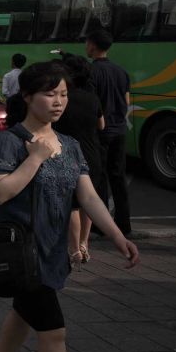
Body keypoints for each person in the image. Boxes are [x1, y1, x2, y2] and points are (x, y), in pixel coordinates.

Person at [0, 61, 140, 352]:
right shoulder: (9, 141)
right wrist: (34, 157)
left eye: (63, 94)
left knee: (24, 313)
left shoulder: (69, 144)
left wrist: (117, 235)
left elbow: (86, 196)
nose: (58, 101)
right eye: (50, 94)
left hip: (52, 253)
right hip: (22, 252)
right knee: (53, 332)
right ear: (28, 97)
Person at [54, 54, 107, 265]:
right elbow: (101, 125)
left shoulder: (62, 98)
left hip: (67, 152)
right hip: (92, 152)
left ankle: (74, 249)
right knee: (89, 201)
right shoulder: (92, 98)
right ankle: (85, 244)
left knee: (72, 205)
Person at [86, 29, 132, 236]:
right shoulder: (121, 71)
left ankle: (101, 224)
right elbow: (127, 101)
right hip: (120, 130)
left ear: (93, 45)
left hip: (101, 131)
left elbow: (93, 104)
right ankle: (124, 223)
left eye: (87, 43)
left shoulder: (91, 72)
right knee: (118, 177)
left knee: (100, 176)